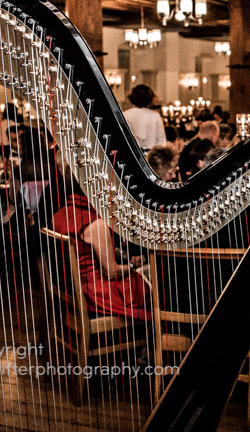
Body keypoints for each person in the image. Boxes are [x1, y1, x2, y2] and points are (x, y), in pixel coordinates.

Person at [50, 183, 149, 320]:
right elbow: (111, 273)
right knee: (151, 289)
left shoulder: (59, 215)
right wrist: (134, 266)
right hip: (96, 294)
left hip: (71, 288)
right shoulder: (96, 224)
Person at [122, 84, 166, 152]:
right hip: (151, 154)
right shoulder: (155, 116)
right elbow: (161, 141)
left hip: (132, 153)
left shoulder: (125, 115)